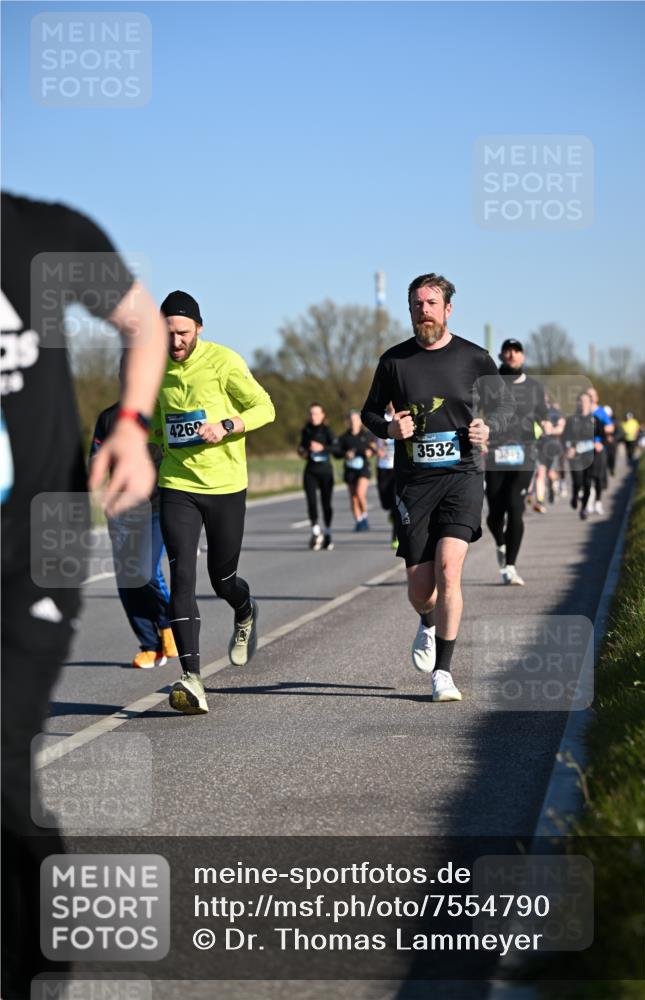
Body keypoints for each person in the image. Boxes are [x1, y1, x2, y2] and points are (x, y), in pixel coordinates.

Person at [1, 191, 166, 1000]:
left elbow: (140, 324)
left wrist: (131, 422)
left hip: (40, 544)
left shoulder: (42, 234)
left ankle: (36, 965)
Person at [361, 273, 513, 702]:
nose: (422, 311)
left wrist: (490, 427)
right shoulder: (394, 361)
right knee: (420, 588)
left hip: (463, 474)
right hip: (414, 482)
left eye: (430, 303)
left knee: (450, 569)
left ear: (448, 309)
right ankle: (427, 622)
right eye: (415, 305)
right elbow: (369, 414)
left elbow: (503, 408)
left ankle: (443, 673)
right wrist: (390, 427)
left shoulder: (476, 358)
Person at [152, 290, 275, 716]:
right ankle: (192, 679)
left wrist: (228, 424)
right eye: (168, 334)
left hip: (225, 485)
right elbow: (153, 427)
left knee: (223, 579)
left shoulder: (224, 362)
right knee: (181, 573)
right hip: (177, 484)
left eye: (183, 333)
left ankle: (244, 609)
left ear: (199, 329)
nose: (175, 342)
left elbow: (265, 408)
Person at [89, 354, 178, 668]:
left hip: (157, 506)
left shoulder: (163, 411)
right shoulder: (108, 418)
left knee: (145, 570)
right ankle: (150, 645)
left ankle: (169, 625)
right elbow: (96, 459)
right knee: (127, 579)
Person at [484, 338, 548, 586]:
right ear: (501, 356)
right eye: (508, 351)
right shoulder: (490, 383)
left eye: (516, 351)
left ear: (522, 356)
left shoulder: (534, 386)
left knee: (515, 505)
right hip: (495, 453)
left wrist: (550, 423)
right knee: (494, 515)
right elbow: (475, 409)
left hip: (524, 454)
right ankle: (500, 544)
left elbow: (543, 414)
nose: (512, 355)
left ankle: (510, 566)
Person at [297, 402, 336, 551]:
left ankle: (328, 532)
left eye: (316, 413)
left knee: (326, 504)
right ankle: (315, 531)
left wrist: (323, 448)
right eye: (311, 413)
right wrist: (302, 452)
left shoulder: (327, 430)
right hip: (310, 470)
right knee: (311, 502)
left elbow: (337, 448)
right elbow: (301, 447)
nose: (313, 416)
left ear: (322, 415)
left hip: (325, 471)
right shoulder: (306, 430)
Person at [563, 391, 605, 520]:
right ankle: (575, 496)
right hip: (575, 454)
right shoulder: (572, 419)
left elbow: (601, 435)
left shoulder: (595, 419)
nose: (583, 403)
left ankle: (584, 508)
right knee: (578, 481)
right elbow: (565, 436)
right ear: (578, 403)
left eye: (586, 401)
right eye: (581, 401)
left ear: (590, 403)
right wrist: (568, 447)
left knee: (587, 483)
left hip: (590, 454)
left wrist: (599, 443)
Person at [335, 409, 376, 531]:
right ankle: (358, 521)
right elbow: (336, 453)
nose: (353, 422)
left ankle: (364, 517)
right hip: (350, 470)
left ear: (360, 422)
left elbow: (374, 449)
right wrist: (345, 454)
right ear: (348, 422)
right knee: (353, 497)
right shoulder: (344, 438)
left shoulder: (367, 436)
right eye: (351, 420)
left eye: (355, 420)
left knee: (360, 493)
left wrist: (370, 452)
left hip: (363, 469)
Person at [373, 401, 398, 549]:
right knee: (385, 502)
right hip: (383, 466)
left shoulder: (403, 416)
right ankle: (390, 512)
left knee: (396, 503)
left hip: (397, 466)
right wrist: (375, 448)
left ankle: (395, 537)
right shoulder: (379, 418)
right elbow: (370, 439)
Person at [533, 394, 565, 510]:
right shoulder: (533, 412)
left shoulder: (555, 412)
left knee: (551, 474)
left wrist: (550, 430)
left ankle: (552, 485)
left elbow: (561, 428)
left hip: (552, 447)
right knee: (540, 474)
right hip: (538, 447)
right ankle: (540, 502)